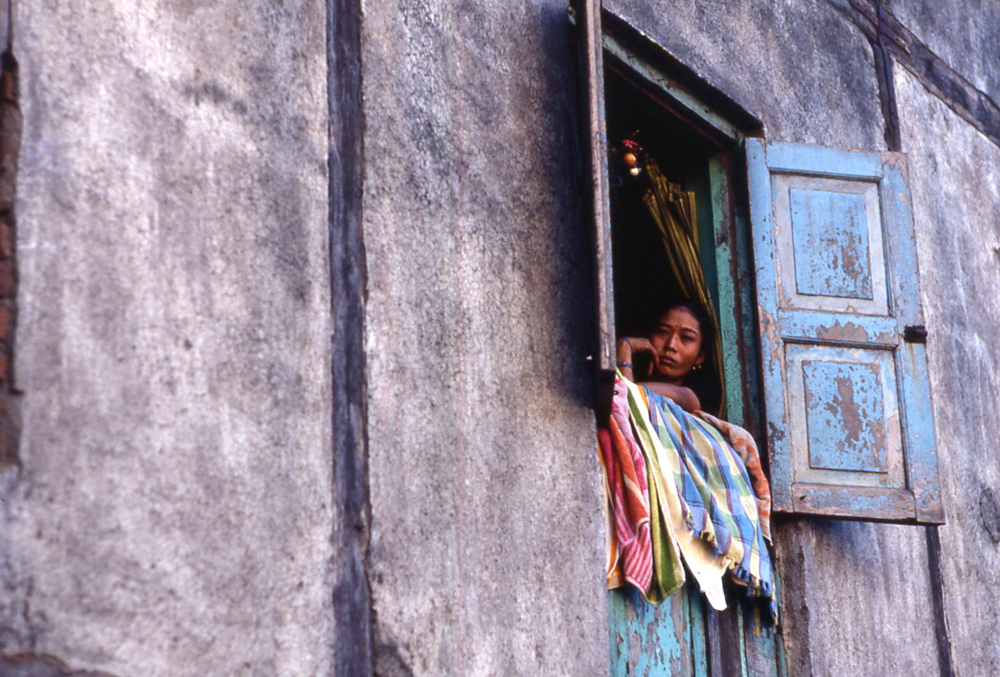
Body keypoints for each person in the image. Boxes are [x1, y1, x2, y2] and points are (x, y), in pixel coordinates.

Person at [615, 300, 721, 415]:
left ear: (699, 357)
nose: (671, 345)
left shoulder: (697, 394)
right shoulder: (636, 374)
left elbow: (625, 397)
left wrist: (624, 347)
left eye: (686, 338)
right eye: (663, 332)